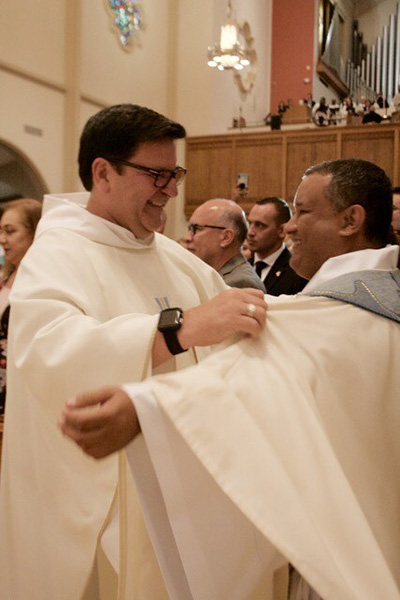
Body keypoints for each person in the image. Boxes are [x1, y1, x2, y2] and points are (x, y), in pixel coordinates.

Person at [60, 158, 400, 600]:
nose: (289, 227)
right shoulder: (384, 302)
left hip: (340, 568)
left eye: (304, 212)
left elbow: (235, 390)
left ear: (351, 220)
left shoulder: (317, 318)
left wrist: (144, 408)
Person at [0, 104, 268, 600]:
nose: (171, 189)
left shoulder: (176, 260)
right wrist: (178, 330)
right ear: (103, 172)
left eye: (175, 173)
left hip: (184, 493)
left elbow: (242, 328)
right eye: (157, 174)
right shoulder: (57, 254)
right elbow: (49, 352)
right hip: (105, 500)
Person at [0, 198, 42, 415]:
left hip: (19, 389)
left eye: (10, 231)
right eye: (1, 231)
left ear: (34, 233)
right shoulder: (4, 280)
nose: (2, 239)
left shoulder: (41, 282)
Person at [183, 199, 265, 290]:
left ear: (226, 237)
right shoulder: (211, 273)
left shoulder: (241, 283)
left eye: (197, 228)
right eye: (189, 228)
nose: (187, 237)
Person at [247, 197, 306, 295]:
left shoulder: (297, 272)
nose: (250, 232)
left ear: (282, 231)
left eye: (260, 225)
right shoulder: (243, 268)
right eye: (250, 223)